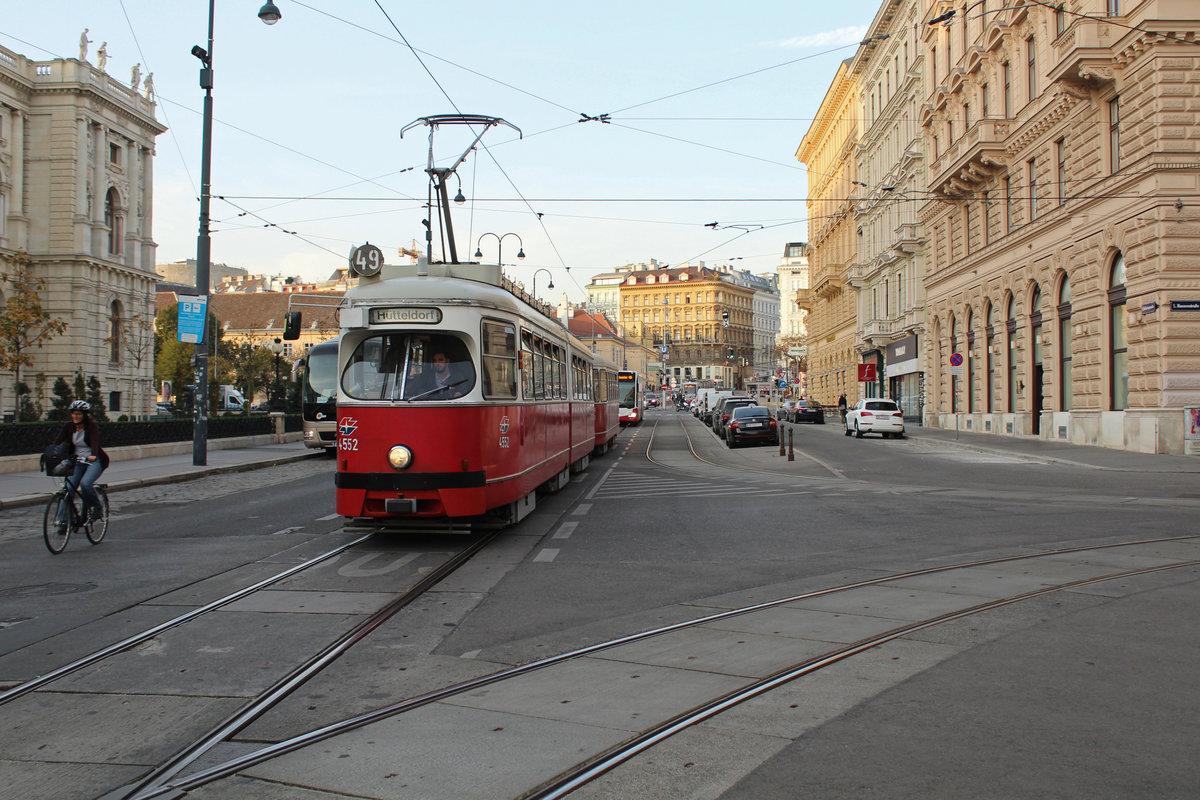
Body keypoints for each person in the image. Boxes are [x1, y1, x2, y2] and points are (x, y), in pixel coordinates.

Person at [52, 400, 109, 531]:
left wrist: (93, 455)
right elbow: (57, 442)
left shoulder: (91, 427)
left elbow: (95, 442)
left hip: (93, 461)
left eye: (78, 414)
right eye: (73, 414)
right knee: (68, 490)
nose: (75, 416)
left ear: (84, 415)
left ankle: (96, 507)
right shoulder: (68, 427)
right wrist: (49, 453)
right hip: (77, 461)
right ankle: (63, 521)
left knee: (85, 483)